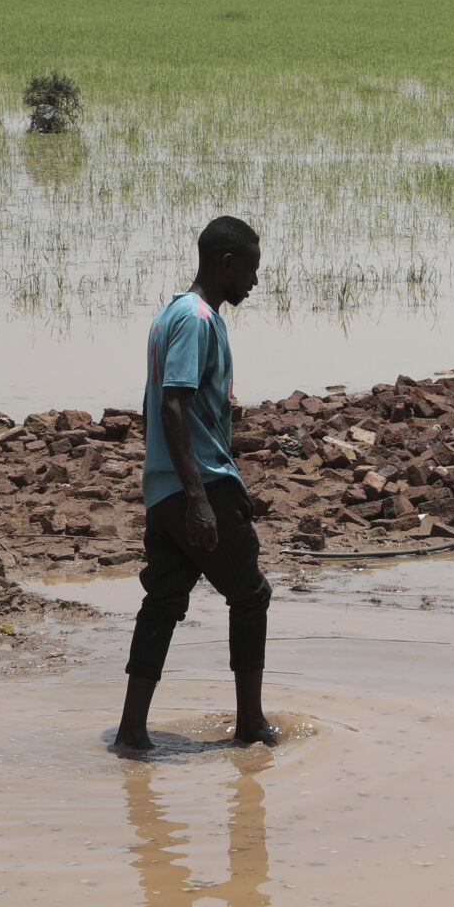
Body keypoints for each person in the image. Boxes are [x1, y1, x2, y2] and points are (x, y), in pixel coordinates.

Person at [116, 216, 276, 750]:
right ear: (226, 264)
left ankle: (132, 732)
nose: (253, 282)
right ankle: (250, 724)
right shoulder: (198, 318)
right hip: (196, 487)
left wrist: (167, 480)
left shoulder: (170, 316)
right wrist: (201, 501)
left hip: (166, 488)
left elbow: (152, 406)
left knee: (162, 601)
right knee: (250, 595)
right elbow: (171, 405)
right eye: (249, 270)